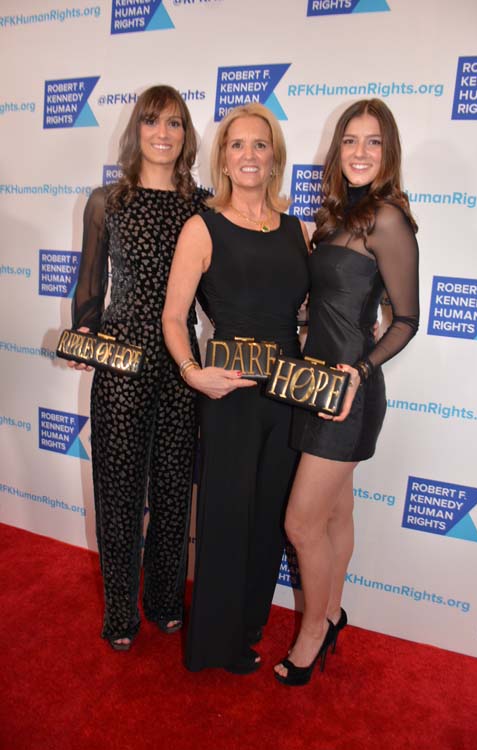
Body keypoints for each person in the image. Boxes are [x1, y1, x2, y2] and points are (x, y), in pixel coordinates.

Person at [274, 98, 419, 686]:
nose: (360, 152)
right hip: (313, 383)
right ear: (337, 150)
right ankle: (331, 612)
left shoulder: (388, 219)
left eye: (373, 142)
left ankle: (313, 632)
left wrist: (358, 370)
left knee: (301, 524)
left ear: (389, 154)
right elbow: (335, 305)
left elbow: (407, 320)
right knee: (335, 513)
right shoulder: (335, 217)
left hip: (348, 394)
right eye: (350, 141)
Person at [162, 103, 309, 673]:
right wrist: (193, 372)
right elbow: (176, 318)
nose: (249, 155)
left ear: (274, 157)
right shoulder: (203, 225)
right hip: (226, 394)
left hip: (288, 392)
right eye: (237, 145)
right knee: (225, 516)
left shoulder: (302, 229)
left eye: (260, 144)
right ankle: (214, 644)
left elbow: (311, 308)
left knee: (272, 514)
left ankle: (250, 624)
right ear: (223, 157)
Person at [69, 85, 210, 650]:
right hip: (122, 359)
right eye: (152, 122)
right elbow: (89, 285)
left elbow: (219, 291)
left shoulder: (200, 204)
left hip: (182, 364)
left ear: (186, 135)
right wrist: (85, 331)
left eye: (174, 124)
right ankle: (121, 611)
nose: (162, 134)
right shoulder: (107, 201)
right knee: (119, 489)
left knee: (175, 489)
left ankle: (164, 600)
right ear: (137, 131)